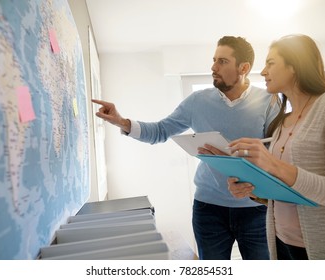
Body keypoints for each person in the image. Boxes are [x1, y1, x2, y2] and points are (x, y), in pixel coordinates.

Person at [92, 36, 280, 260]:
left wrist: (242, 164)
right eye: (213, 60)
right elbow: (160, 131)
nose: (213, 67)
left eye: (222, 61)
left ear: (244, 67)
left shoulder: (269, 100)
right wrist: (121, 122)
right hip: (208, 209)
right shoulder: (196, 102)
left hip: (256, 209)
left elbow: (278, 152)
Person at [224, 34, 325, 259]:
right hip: (281, 243)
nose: (263, 72)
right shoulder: (282, 121)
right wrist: (252, 190)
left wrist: (272, 164)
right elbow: (288, 190)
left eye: (270, 63)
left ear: (295, 65)